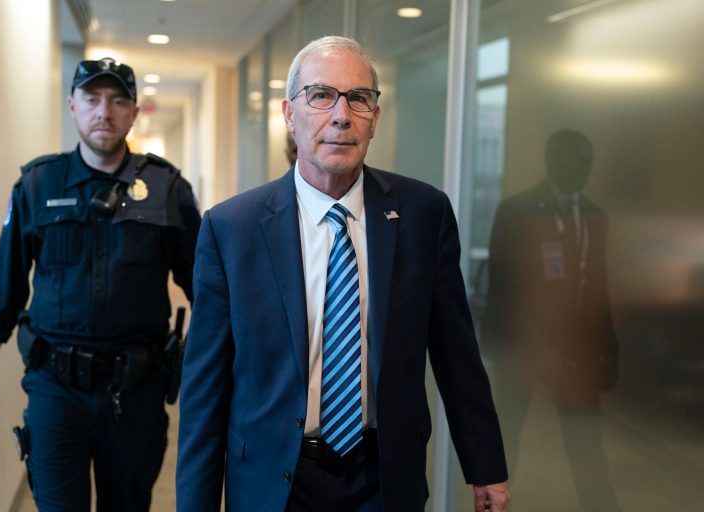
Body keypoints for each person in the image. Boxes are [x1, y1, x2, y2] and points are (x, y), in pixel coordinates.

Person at [177, 36, 509, 512]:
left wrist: (487, 468)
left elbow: (457, 357)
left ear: (374, 117)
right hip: (274, 481)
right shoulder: (232, 229)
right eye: (320, 96)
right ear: (290, 115)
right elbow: (204, 392)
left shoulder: (422, 214)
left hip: (384, 476)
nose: (341, 115)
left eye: (359, 98)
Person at [0, 57, 201, 512]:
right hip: (56, 390)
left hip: (135, 394)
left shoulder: (167, 188)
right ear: (72, 106)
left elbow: (204, 289)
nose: (104, 112)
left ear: (134, 112)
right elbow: (5, 289)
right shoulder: (37, 184)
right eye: (92, 99)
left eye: (117, 101)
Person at [482, 129, 619, 510]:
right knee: (507, 444)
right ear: (553, 161)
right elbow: (503, 284)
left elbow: (598, 286)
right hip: (523, 350)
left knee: (587, 450)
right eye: (578, 159)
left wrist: (609, 350)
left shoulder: (594, 216)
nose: (585, 168)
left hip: (576, 352)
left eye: (589, 160)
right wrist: (505, 347)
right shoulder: (517, 210)